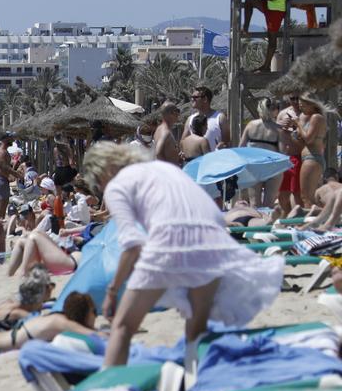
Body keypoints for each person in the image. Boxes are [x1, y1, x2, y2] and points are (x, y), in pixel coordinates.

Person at [80, 144, 283, 368]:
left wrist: (113, 290)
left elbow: (132, 243)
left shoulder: (117, 186)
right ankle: (193, 377)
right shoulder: (165, 169)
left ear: (102, 172)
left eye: (97, 185)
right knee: (196, 329)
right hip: (212, 241)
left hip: (169, 242)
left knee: (123, 326)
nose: (100, 189)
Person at [242, 0, 287, 73]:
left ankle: (266, 66)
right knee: (249, 0)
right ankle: (245, 28)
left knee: (272, 38)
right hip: (270, 7)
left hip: (275, 9)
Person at [239, 97, 284, 207]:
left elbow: (241, 147)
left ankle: (256, 223)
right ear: (273, 110)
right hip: (272, 167)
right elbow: (282, 152)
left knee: (254, 203)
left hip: (255, 166)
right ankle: (267, 223)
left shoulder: (251, 125)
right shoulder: (278, 129)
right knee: (269, 204)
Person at [287, 95, 328, 210]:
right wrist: (294, 133)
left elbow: (308, 139)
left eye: (303, 105)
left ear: (312, 104)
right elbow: (304, 142)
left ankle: (311, 224)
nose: (301, 107)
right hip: (310, 158)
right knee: (310, 197)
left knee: (306, 198)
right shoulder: (313, 117)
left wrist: (298, 123)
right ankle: (318, 221)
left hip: (312, 158)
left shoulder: (316, 117)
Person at [183, 86, 229, 151]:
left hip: (215, 160)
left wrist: (223, 144)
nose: (192, 99)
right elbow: (183, 142)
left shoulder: (220, 118)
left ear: (205, 99)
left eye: (195, 97)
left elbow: (227, 142)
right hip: (195, 160)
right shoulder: (190, 119)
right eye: (191, 97)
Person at [0, 135, 20, 219]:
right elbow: (2, 166)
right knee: (2, 203)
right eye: (10, 139)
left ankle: (1, 221)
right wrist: (15, 174)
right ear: (5, 140)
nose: (12, 140)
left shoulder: (4, 151)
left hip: (2, 179)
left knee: (4, 203)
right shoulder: (1, 151)